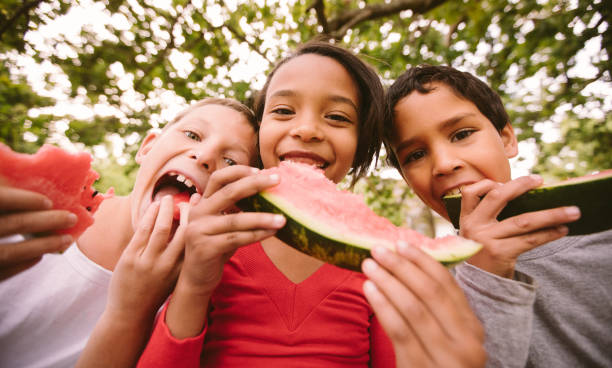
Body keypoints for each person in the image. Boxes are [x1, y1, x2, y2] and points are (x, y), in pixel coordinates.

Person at [136, 41, 486, 367]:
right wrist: (195, 283)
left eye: (336, 117)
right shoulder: (212, 237)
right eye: (284, 110)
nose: (306, 130)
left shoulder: (380, 260)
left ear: (360, 145)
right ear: (259, 134)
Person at [0, 98, 285, 367]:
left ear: (233, 206)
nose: (205, 156)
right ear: (148, 147)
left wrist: (134, 311)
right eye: (193, 135)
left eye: (231, 161)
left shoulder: (188, 310)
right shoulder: (25, 218)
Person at [384, 64, 612, 367]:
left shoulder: (600, 236)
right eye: (415, 155)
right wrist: (484, 278)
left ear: (507, 139)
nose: (443, 164)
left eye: (462, 134)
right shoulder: (429, 292)